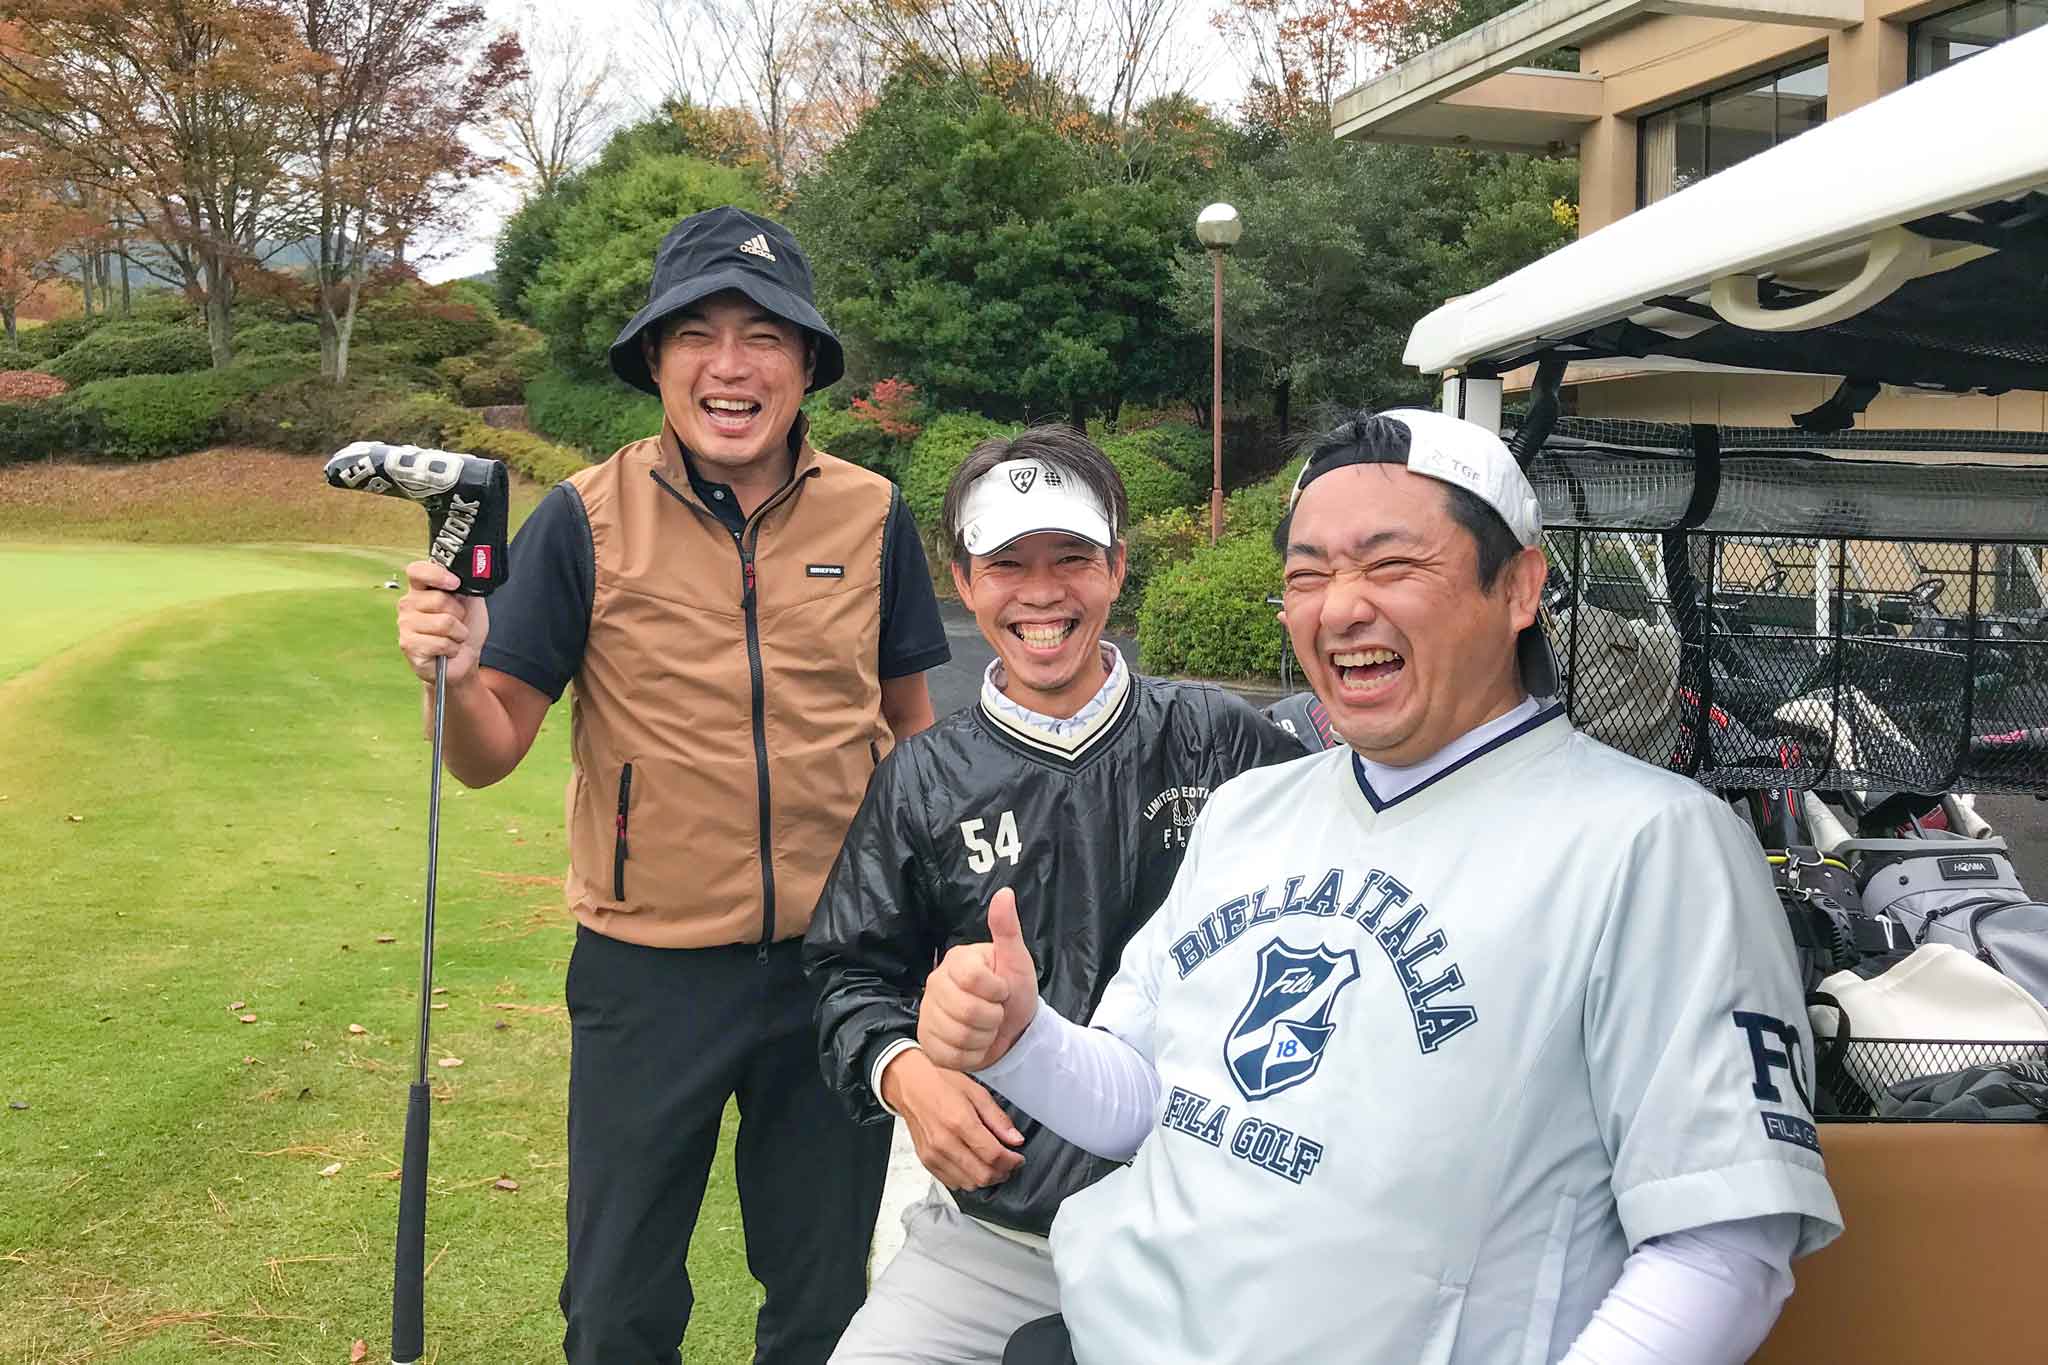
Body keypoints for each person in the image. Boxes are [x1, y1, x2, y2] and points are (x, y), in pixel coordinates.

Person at [916, 408, 1844, 1365]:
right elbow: (1149, 1100)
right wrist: (1021, 1041)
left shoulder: (1653, 846)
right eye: (1308, 575)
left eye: (1390, 565)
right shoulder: (1248, 812)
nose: (1340, 606)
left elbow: (1725, 1242)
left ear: (1521, 586)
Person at [393, 206, 951, 1365]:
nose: (730, 365)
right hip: (646, 976)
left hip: (837, 970)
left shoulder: (874, 512)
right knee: (616, 1309)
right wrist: (451, 673)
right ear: (656, 360)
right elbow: (492, 749)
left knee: (821, 1302)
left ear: (806, 365)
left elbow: (912, 735)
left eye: (765, 335)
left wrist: (925, 919)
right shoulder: (583, 520)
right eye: (696, 333)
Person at [803, 425, 1305, 1363]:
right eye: (1008, 562)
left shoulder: (1221, 739)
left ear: (1118, 566)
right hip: (996, 1238)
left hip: (1214, 1226)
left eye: (1071, 556)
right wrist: (906, 1072)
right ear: (964, 580)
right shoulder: (919, 780)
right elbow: (845, 972)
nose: (1041, 591)